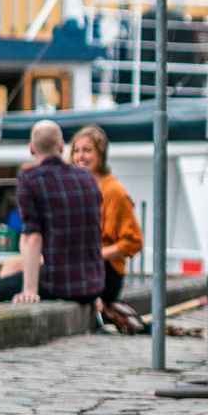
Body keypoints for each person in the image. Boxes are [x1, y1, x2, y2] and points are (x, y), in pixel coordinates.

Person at [0, 121, 105, 309]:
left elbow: (32, 237)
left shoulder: (30, 179)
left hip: (60, 285)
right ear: (61, 146)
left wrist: (29, 290)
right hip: (93, 286)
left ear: (31, 148)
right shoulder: (87, 178)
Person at [70, 125, 145, 333]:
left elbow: (134, 241)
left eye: (87, 150)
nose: (80, 156)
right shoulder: (76, 188)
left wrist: (96, 255)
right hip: (83, 265)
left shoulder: (114, 191)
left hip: (106, 271)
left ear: (100, 154)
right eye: (76, 150)